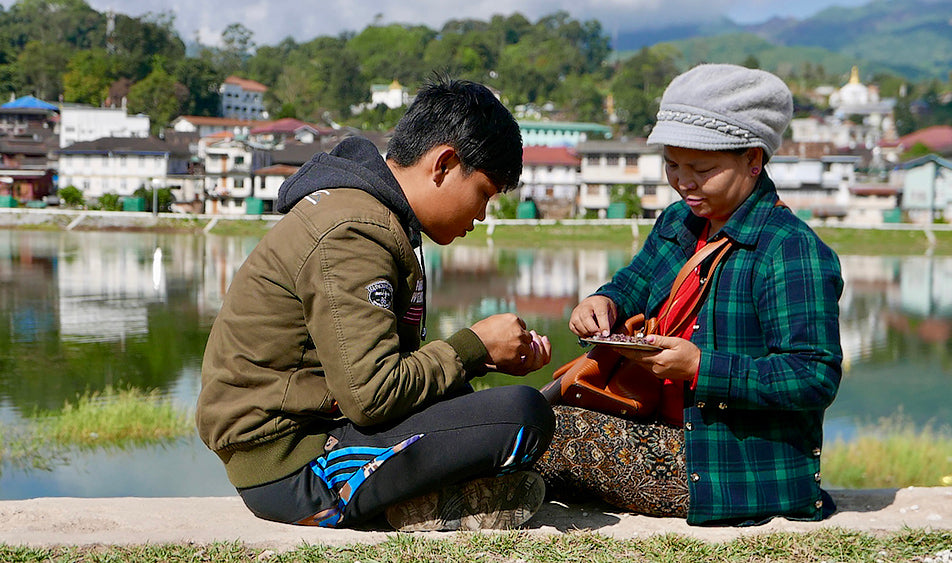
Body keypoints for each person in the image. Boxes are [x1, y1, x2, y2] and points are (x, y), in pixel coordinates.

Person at [195, 77, 555, 531]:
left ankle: (433, 502)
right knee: (524, 415)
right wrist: (474, 347)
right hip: (293, 464)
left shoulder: (377, 216)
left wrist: (485, 360)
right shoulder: (354, 231)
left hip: (313, 433)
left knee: (473, 402)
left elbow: (383, 373)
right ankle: (412, 501)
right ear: (443, 164)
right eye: (483, 193)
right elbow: (373, 396)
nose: (482, 215)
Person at [535, 63, 844, 526]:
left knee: (543, 431)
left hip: (724, 470)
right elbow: (634, 283)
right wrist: (604, 302)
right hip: (661, 428)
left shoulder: (790, 249)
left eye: (701, 169)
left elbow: (814, 375)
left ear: (753, 160)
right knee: (515, 417)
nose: (683, 183)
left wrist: (700, 368)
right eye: (673, 166)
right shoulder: (678, 223)